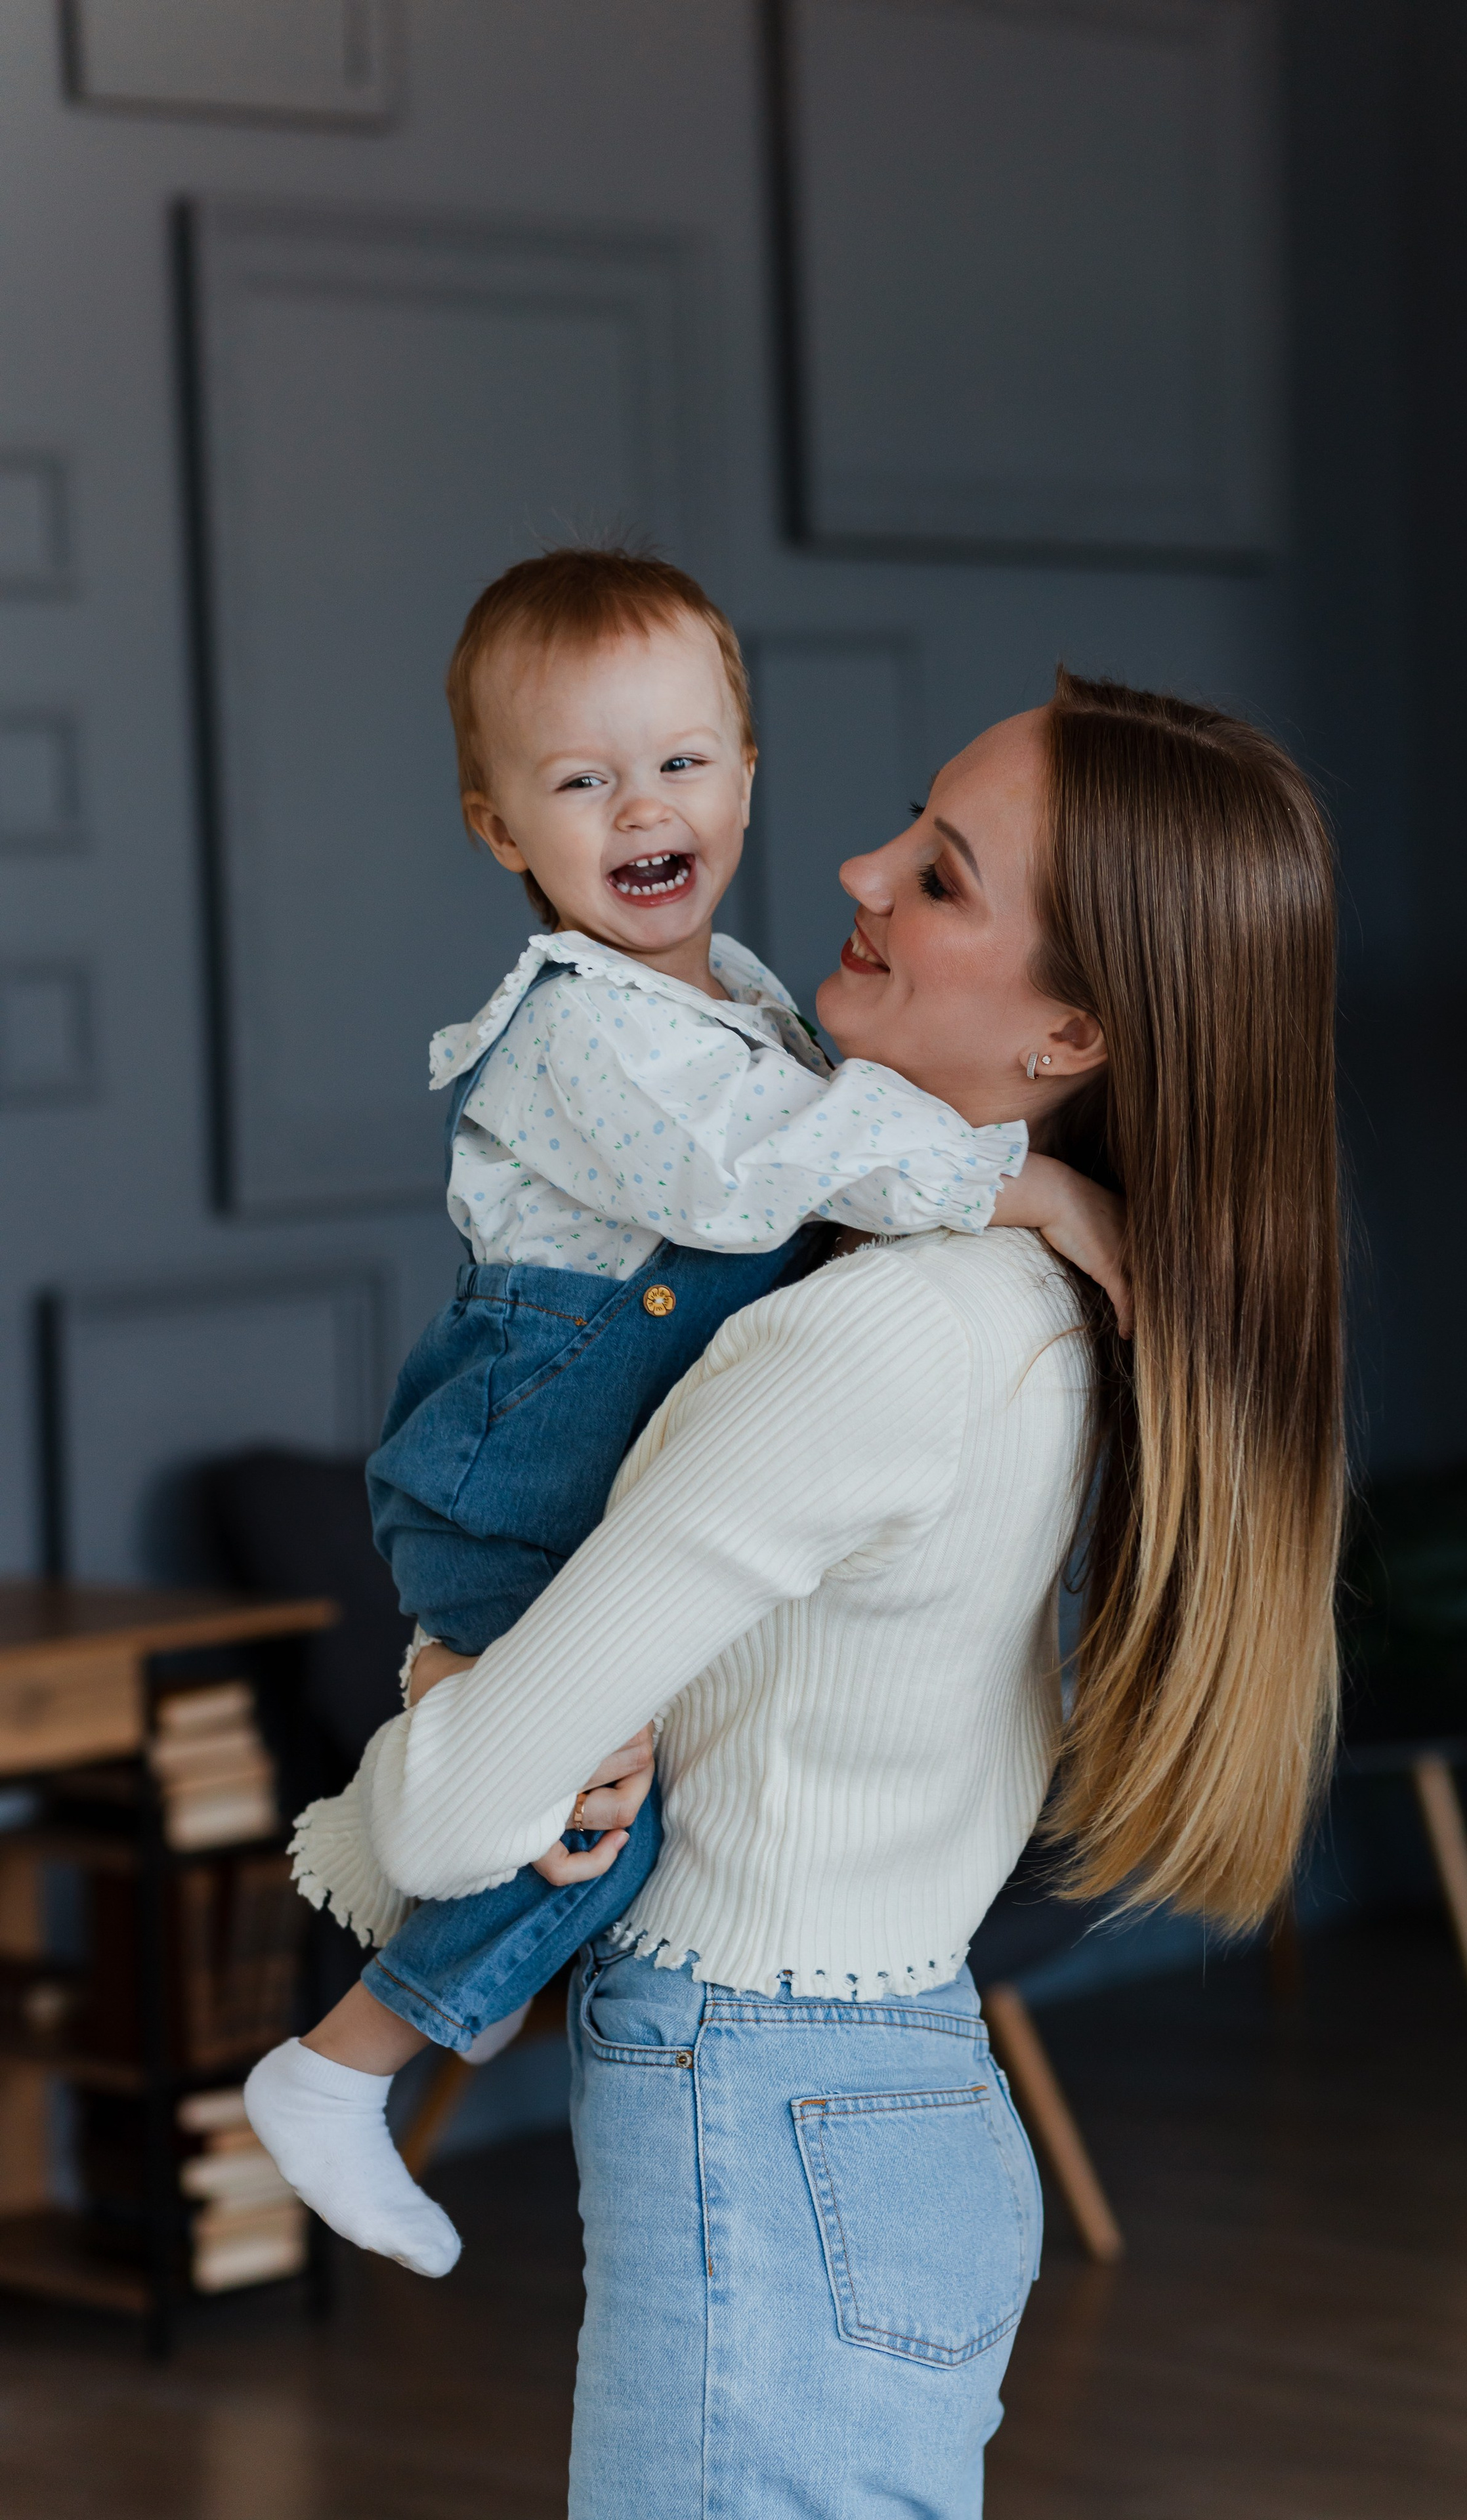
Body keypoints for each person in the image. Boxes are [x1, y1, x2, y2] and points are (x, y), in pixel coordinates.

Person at [272, 669, 1344, 2517]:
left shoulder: (870, 1342)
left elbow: (458, 1821)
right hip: (902, 2089)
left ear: (1073, 1031)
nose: (850, 866)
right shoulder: (1040, 1311)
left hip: (756, 2106)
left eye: (936, 875)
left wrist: (449, 1701)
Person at [244, 548, 1126, 2278]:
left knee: (592, 1796)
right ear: (502, 830)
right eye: (580, 782)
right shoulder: (580, 1030)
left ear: (744, 769)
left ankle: (438, 1998)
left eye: (682, 762)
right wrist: (1024, 1185)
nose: (642, 806)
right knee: (587, 1807)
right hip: (520, 1459)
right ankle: (343, 2066)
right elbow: (752, 1186)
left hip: (595, 1472)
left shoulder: (739, 997)